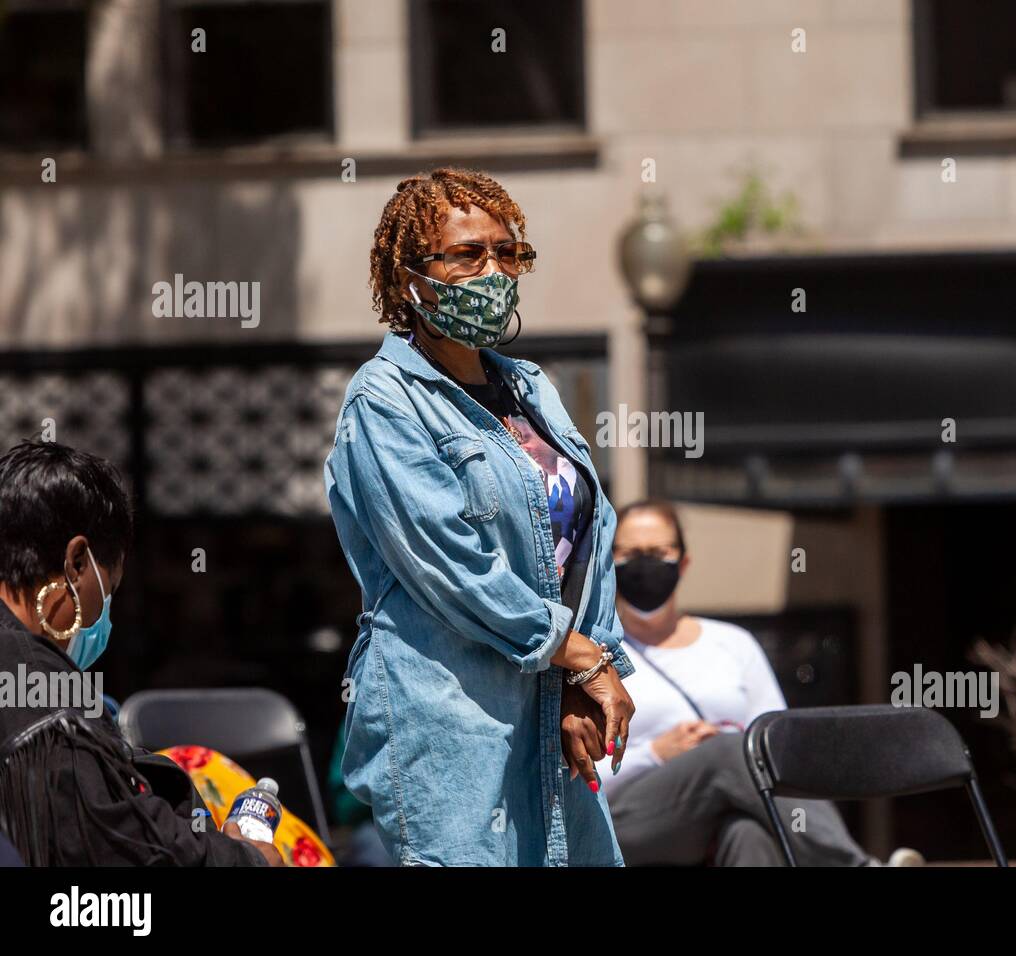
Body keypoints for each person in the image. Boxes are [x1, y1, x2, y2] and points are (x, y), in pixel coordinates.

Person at [324, 166, 636, 866]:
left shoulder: (530, 386)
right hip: (449, 722)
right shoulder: (384, 402)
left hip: (550, 711)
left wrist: (587, 673)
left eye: (506, 252)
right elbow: (450, 564)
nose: (492, 269)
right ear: (412, 279)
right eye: (466, 255)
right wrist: (578, 655)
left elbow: (593, 533)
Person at [0, 440, 280, 866]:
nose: (104, 617)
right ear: (77, 563)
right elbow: (117, 841)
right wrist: (249, 860)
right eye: (107, 591)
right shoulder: (36, 689)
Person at [603, 499, 909, 866]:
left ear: (683, 563)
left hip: (725, 811)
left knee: (747, 832)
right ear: (610, 562)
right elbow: (576, 775)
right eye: (630, 553)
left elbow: (780, 748)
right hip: (628, 820)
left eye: (658, 552)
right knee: (732, 751)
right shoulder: (597, 654)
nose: (645, 564)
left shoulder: (732, 643)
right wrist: (655, 754)